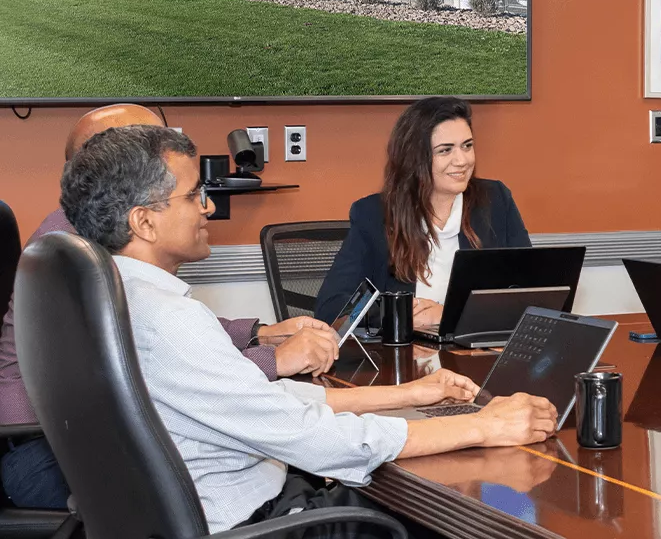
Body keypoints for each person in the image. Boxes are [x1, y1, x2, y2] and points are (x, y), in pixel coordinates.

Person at [57, 125, 559, 534]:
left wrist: (409, 393)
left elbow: (259, 403)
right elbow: (315, 440)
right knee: (455, 519)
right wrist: (483, 425)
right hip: (258, 524)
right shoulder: (169, 321)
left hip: (206, 516)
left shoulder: (111, 297)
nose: (208, 207)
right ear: (144, 222)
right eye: (194, 196)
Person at [0, 104, 337, 510]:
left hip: (75, 436)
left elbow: (157, 333)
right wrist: (271, 361)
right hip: (44, 450)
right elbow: (150, 360)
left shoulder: (93, 236)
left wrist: (257, 334)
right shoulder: (81, 249)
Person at [315, 97, 531, 330]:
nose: (462, 160)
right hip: (403, 359)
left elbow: (532, 294)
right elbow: (332, 308)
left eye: (467, 146)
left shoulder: (495, 200)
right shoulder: (374, 215)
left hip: (475, 356)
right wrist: (401, 314)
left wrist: (448, 314)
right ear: (415, 159)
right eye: (445, 150)